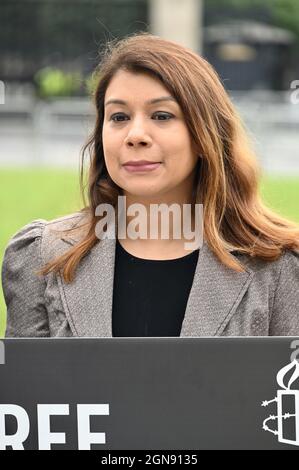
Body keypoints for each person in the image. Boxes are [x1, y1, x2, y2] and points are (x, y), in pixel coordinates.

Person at [2, 32, 299, 338]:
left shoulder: (281, 268)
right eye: (119, 117)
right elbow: (28, 385)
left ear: (204, 135)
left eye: (161, 115)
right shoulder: (42, 257)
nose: (135, 134)